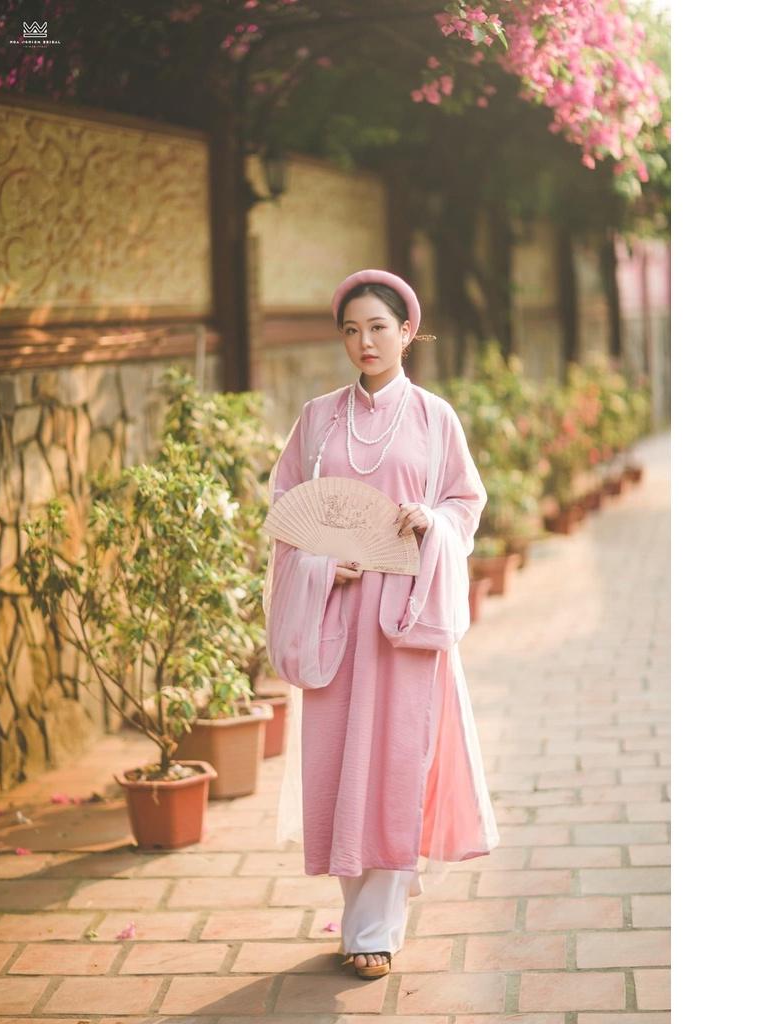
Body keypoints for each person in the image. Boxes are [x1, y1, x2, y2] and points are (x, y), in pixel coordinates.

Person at [262, 268, 500, 980]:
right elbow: (286, 508)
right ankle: (359, 908)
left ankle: (375, 928)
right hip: (335, 611)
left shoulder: (434, 417)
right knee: (339, 764)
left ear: (406, 332)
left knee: (396, 761)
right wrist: (318, 565)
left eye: (378, 328)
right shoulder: (317, 419)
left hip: (405, 616)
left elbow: (465, 502)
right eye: (352, 330)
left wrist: (432, 524)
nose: (365, 342)